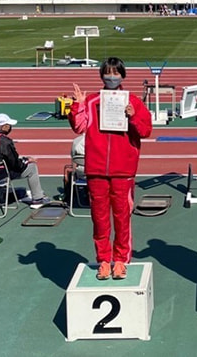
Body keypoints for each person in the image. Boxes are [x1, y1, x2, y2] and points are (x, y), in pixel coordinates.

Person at [69, 57, 152, 281]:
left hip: (123, 170)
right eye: (108, 73)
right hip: (96, 169)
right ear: (102, 76)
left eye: (116, 73)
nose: (112, 77)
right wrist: (77, 104)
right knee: (100, 219)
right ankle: (104, 260)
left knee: (122, 218)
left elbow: (146, 131)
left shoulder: (133, 101)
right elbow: (78, 126)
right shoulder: (92, 101)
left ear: (123, 76)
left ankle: (121, 261)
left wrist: (133, 117)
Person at [0, 113, 50, 208]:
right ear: (4, 127)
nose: (10, 127)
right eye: (9, 125)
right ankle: (38, 199)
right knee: (32, 167)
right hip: (0, 175)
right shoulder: (4, 141)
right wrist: (26, 160)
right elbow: (15, 164)